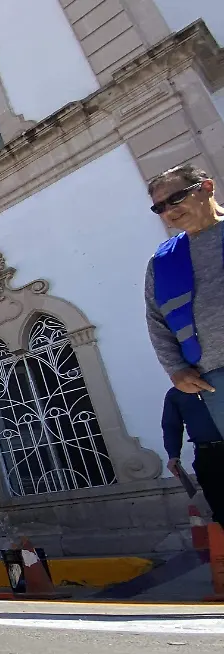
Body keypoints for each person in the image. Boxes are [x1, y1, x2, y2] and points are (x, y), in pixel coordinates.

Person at [146, 164, 224, 432]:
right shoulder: (162, 262)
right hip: (215, 376)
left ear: (207, 188)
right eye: (160, 207)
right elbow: (157, 321)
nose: (170, 210)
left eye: (176, 198)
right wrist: (175, 369)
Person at [162, 386, 224, 523]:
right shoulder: (176, 394)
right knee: (220, 507)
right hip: (208, 454)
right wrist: (173, 454)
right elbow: (171, 426)